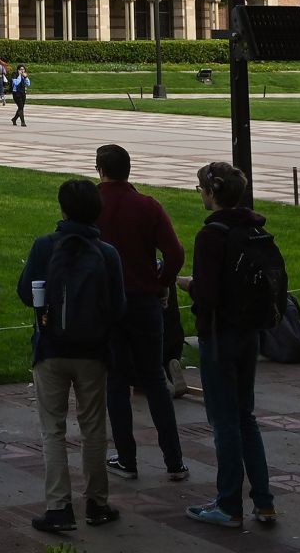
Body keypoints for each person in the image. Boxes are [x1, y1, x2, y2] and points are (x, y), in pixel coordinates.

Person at [19, 178, 126, 534]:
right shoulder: (107, 253)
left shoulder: (45, 246)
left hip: (51, 348)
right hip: (93, 351)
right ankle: (96, 502)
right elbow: (119, 306)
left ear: (62, 209)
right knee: (93, 426)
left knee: (53, 429)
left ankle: (59, 507)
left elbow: (25, 292)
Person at [183, 162, 276, 530]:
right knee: (244, 417)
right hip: (249, 331)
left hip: (219, 334)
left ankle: (228, 503)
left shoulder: (212, 235)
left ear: (211, 193)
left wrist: (186, 284)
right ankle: (264, 501)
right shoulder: (254, 228)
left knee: (224, 422)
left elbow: (207, 293)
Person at [94, 144, 186, 481]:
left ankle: (127, 458)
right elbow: (174, 253)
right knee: (154, 379)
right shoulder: (147, 205)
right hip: (145, 302)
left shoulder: (93, 204)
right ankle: (174, 460)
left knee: (116, 381)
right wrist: (161, 283)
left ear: (100, 169)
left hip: (108, 304)